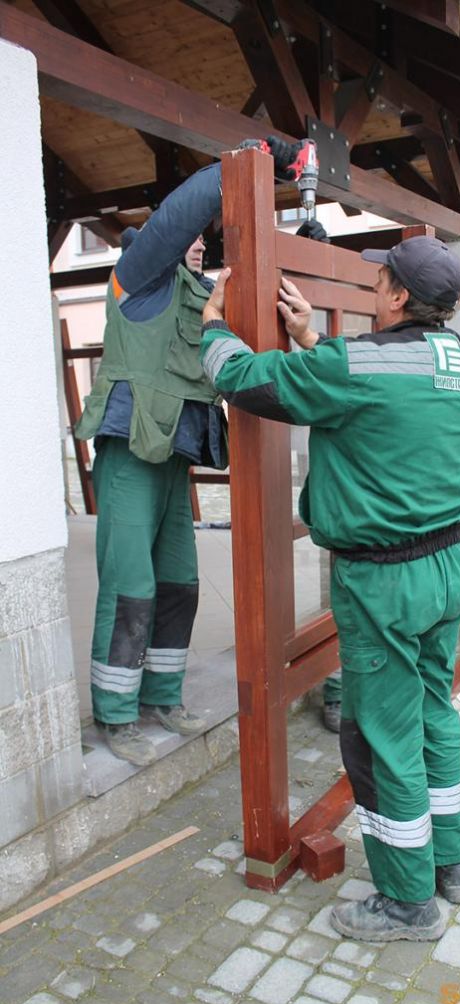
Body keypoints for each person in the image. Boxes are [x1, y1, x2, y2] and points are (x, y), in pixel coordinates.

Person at [200, 234, 460, 942]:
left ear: (395, 297)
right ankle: (450, 863)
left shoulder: (355, 363)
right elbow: (372, 394)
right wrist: (310, 336)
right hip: (445, 567)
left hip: (383, 579)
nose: (372, 286)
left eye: (379, 278)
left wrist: (210, 327)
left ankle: (407, 900)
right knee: (432, 717)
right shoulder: (458, 359)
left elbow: (247, 381)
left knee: (379, 736)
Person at [76, 137, 321, 766]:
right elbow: (187, 208)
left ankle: (161, 696)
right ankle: (116, 715)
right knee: (130, 586)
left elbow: (255, 330)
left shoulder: (197, 293)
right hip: (131, 451)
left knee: (180, 583)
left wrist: (305, 241)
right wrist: (258, 159)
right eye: (190, 238)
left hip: (173, 455)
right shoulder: (137, 280)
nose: (199, 241)